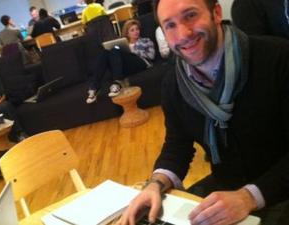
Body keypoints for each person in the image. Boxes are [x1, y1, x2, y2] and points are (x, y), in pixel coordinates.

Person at [118, 0, 289, 225]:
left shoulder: (278, 58)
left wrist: (249, 197)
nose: (183, 34)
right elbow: (177, 145)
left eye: (190, 15)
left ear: (216, 13)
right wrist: (154, 185)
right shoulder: (174, 83)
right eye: (170, 25)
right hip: (226, 189)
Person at [86, 19, 154, 104]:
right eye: (132, 30)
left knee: (115, 50)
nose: (136, 32)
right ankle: (94, 87)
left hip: (141, 63)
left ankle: (117, 83)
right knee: (106, 52)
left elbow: (151, 56)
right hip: (125, 66)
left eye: (137, 29)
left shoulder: (146, 41)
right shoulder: (122, 44)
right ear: (127, 33)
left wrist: (133, 52)